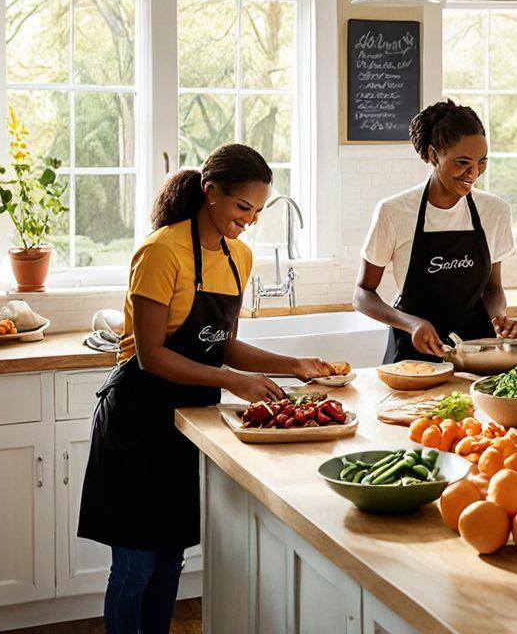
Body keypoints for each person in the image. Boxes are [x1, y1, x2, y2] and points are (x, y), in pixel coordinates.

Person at [78, 144, 332, 634]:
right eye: (243, 208)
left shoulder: (240, 255)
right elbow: (153, 355)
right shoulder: (160, 252)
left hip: (191, 422)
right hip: (138, 419)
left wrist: (293, 366)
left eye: (257, 212)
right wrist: (234, 383)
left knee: (170, 560)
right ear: (209, 192)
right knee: (135, 568)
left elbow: (223, 345)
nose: (250, 221)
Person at [355, 99, 517, 362]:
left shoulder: (494, 211)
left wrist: (497, 319)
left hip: (476, 355)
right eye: (462, 162)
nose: (474, 173)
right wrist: (411, 324)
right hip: (414, 358)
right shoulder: (394, 211)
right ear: (434, 156)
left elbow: (493, 290)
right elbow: (362, 294)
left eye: (482, 162)